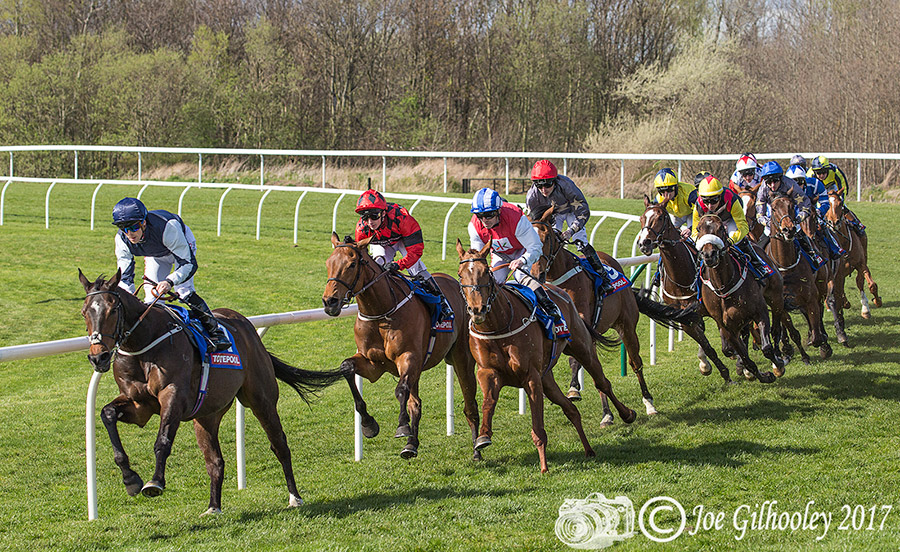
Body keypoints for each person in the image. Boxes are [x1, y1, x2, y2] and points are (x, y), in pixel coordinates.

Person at [112, 197, 231, 351]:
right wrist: (127, 299)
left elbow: (189, 264)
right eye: (124, 229)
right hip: (156, 254)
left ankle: (216, 333)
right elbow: (125, 277)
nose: (129, 234)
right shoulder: (121, 240)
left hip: (181, 248)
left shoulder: (169, 228)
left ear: (144, 222)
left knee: (184, 291)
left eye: (133, 227)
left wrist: (170, 281)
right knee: (152, 298)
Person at [354, 189, 452, 318]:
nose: (370, 222)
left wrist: (398, 265)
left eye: (374, 216)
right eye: (365, 217)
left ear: (383, 213)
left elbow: (415, 251)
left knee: (415, 267)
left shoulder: (402, 218)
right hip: (379, 243)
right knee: (377, 265)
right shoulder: (362, 228)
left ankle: (443, 302)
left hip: (401, 240)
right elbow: (362, 257)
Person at [469, 187, 562, 323]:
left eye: (489, 215)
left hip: (522, 249)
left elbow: (536, 247)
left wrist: (522, 260)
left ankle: (549, 306)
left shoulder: (515, 218)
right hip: (500, 254)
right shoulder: (474, 226)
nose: (484, 220)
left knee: (520, 275)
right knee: (492, 279)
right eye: (480, 216)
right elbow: (478, 256)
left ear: (499, 211)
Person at [525, 159, 613, 297]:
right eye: (539, 185)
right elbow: (533, 222)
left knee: (580, 242)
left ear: (554, 180)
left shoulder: (566, 186)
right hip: (553, 215)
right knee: (548, 242)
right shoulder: (532, 196)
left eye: (547, 185)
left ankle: (604, 277)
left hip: (572, 211)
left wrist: (570, 231)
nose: (543, 190)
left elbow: (583, 211)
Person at [692, 174, 770, 282]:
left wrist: (732, 240)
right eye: (706, 201)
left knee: (739, 239)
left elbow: (743, 227)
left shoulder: (731, 199)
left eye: (714, 200)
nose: (710, 205)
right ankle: (695, 275)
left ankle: (758, 265)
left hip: (729, 219)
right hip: (710, 222)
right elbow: (694, 231)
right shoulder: (698, 205)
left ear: (719, 196)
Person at [754, 161, 821, 264]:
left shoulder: (790, 184)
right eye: (769, 182)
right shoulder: (763, 189)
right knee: (758, 250)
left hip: (791, 217)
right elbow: (759, 215)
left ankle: (814, 256)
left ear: (780, 178)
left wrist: (798, 219)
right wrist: (769, 223)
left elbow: (806, 206)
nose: (772, 185)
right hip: (773, 220)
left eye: (775, 181)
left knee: (802, 236)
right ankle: (757, 264)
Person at [786, 164, 844, 259]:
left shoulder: (815, 184)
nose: (798, 186)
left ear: (805, 180)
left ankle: (834, 248)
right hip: (794, 217)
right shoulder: (783, 190)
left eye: (800, 182)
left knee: (821, 225)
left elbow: (825, 202)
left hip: (811, 214)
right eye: (794, 183)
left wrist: (819, 212)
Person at [807, 155, 865, 235]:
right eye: (818, 173)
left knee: (840, 205)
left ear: (828, 169)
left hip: (832, 188)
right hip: (818, 191)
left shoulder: (835, 171)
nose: (821, 175)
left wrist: (840, 201)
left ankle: (857, 224)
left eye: (823, 172)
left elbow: (843, 187)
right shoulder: (809, 176)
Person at [653, 168, 698, 239]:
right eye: (661, 190)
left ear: (676, 187)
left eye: (669, 189)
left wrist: (690, 228)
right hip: (675, 215)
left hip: (692, 213)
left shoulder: (689, 194)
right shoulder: (658, 199)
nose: (666, 194)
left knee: (694, 236)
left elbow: (701, 212)